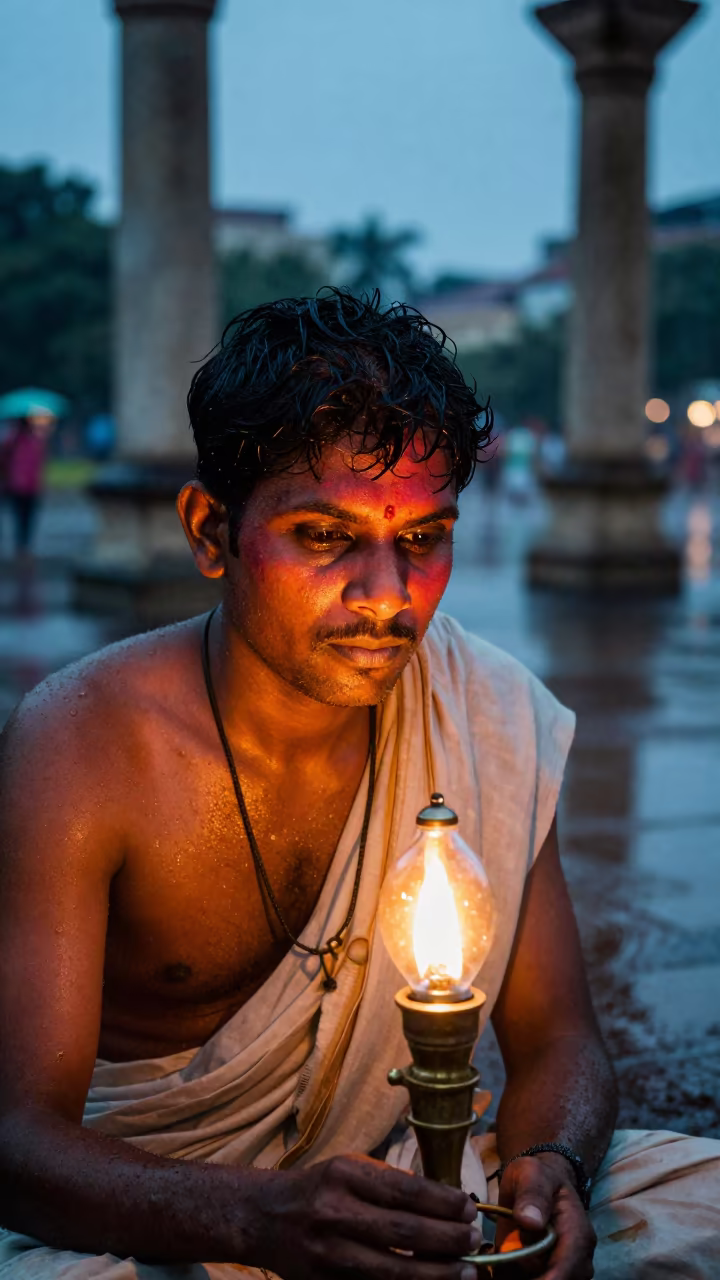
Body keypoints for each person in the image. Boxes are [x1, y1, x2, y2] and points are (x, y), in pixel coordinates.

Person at [0, 291, 717, 1280]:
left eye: (422, 538)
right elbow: (16, 1143)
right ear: (210, 531)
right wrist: (256, 1221)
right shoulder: (82, 743)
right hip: (139, 1222)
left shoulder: (488, 711)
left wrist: (552, 1166)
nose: (388, 597)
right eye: (326, 536)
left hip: (397, 1191)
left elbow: (560, 1040)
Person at [0, 412, 54, 561]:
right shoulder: (17, 441)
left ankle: (23, 545)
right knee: (24, 516)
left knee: (24, 516)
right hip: (23, 484)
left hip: (24, 484)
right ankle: (23, 546)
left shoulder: (21, 441)